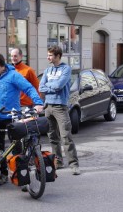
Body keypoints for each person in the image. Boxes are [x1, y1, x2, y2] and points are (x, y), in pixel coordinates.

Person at [0, 53, 44, 185]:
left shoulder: (14, 75)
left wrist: (38, 102)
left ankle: (21, 177)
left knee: (16, 148)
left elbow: (28, 88)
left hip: (12, 117)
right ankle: (3, 174)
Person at [39, 45, 80, 175]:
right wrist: (51, 87)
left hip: (60, 107)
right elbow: (41, 87)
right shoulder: (47, 70)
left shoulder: (66, 69)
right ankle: (59, 162)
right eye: (48, 55)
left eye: (50, 55)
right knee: (52, 137)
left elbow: (59, 85)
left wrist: (49, 86)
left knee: (66, 136)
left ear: (57, 56)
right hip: (48, 106)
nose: (48, 57)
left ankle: (74, 165)